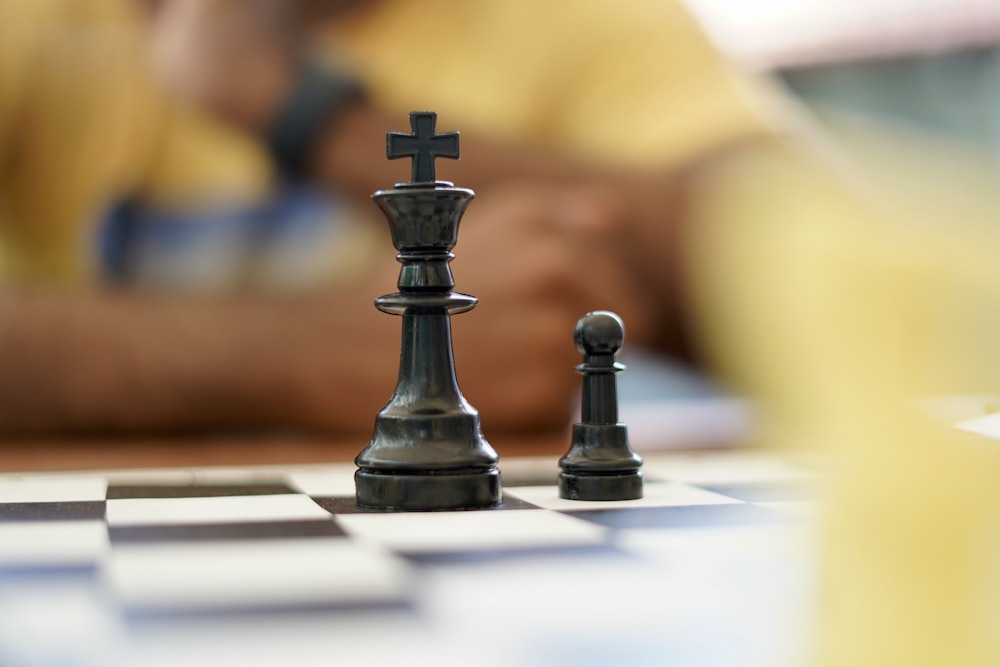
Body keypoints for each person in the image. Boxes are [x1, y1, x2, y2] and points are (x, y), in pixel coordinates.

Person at [0, 0, 781, 439]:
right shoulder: (51, 24)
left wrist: (301, 110)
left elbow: (811, 254)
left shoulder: (578, 21)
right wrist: (311, 353)